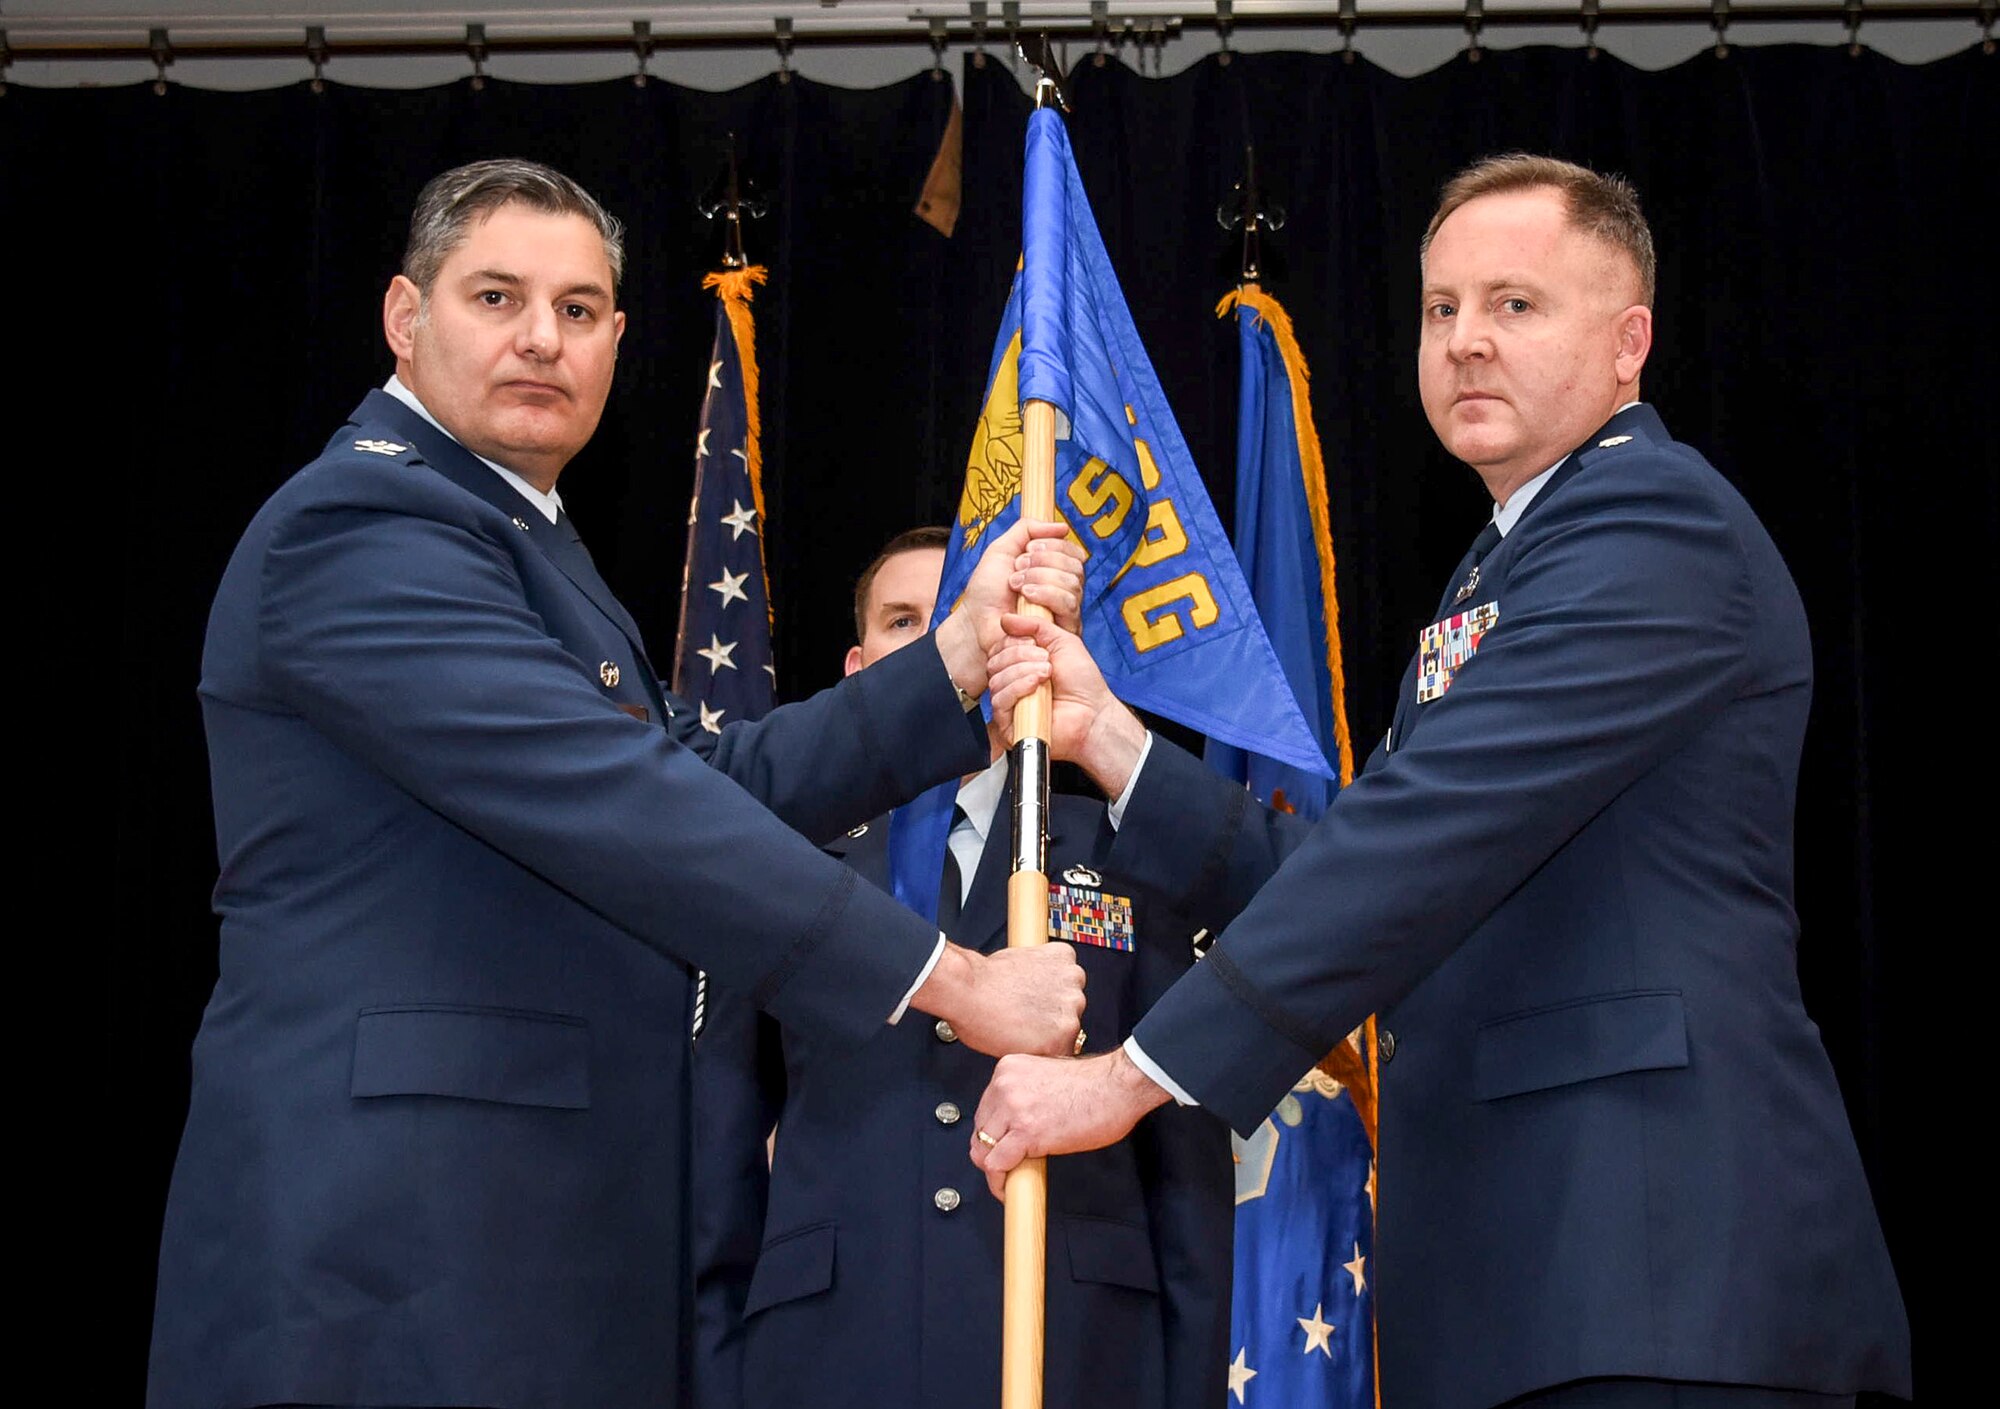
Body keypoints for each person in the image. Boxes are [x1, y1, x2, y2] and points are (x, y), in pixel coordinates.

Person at [971, 154, 1912, 1408]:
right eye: (1440, 308)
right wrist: (1113, 741)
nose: (1466, 340)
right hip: (1531, 1289)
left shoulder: (1651, 525)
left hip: (1654, 1281)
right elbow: (1377, 861)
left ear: (1628, 342)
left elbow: (1420, 838)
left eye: (1514, 304)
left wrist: (1128, 1074)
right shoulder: (1504, 564)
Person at [147, 159, 1090, 1409]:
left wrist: (957, 656)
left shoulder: (515, 532)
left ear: (617, 339)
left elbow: (698, 780)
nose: (543, 336)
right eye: (497, 296)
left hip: (515, 1256)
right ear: (402, 316)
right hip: (390, 1273)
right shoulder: (360, 525)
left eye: (579, 309)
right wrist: (956, 982)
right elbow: (625, 802)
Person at [690, 528, 1232, 1409]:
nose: (949, 637)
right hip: (826, 1354)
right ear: (862, 666)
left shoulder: (1132, 855)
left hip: (1079, 1352)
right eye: (907, 621)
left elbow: (1186, 1175)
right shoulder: (778, 860)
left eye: (965, 612)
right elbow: (719, 1170)